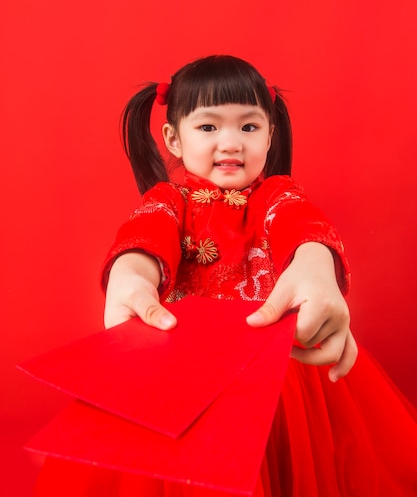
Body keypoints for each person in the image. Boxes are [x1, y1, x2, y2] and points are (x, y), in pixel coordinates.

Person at [36, 55, 417, 497]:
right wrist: (130, 274)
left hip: (274, 379)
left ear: (270, 135)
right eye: (209, 127)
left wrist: (315, 265)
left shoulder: (277, 195)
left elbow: (301, 224)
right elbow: (146, 233)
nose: (231, 143)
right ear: (173, 139)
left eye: (249, 127)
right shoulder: (169, 201)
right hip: (180, 374)